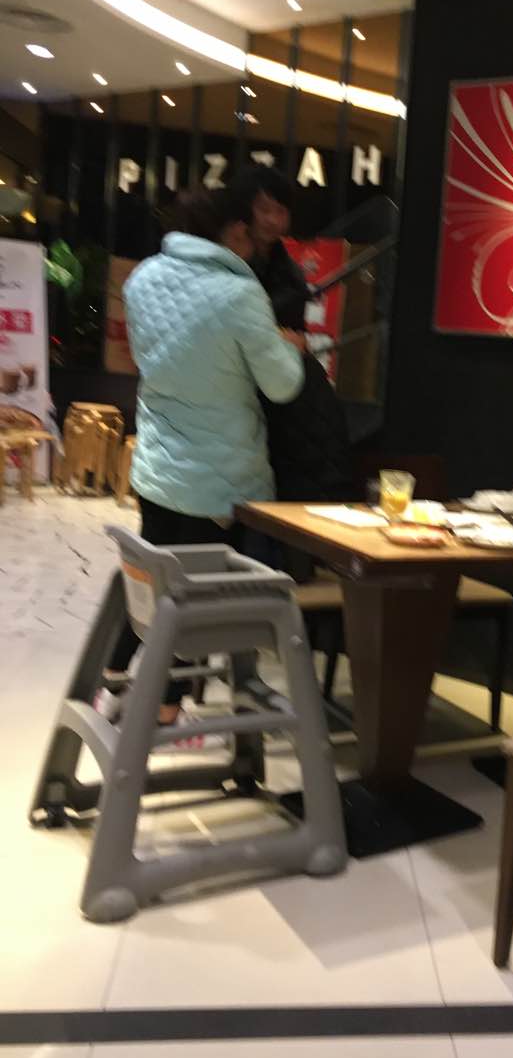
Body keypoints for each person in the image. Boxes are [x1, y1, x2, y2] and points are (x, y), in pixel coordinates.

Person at [101, 188, 305, 734]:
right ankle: (167, 712)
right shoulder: (239, 292)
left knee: (151, 580)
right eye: (248, 232)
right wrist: (290, 349)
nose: (254, 241)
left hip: (157, 463)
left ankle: (112, 681)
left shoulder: (143, 278)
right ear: (232, 232)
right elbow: (281, 384)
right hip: (217, 478)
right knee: (191, 604)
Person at [229, 167, 351, 518]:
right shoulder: (231, 263)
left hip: (284, 387)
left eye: (280, 211)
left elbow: (296, 335)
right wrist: (274, 336)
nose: (272, 220)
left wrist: (287, 340)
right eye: (264, 209)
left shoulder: (287, 269)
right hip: (250, 387)